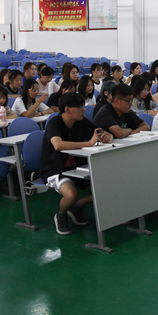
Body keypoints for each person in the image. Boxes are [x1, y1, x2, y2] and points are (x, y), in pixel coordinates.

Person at [39, 92, 114, 235]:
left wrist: (106, 136)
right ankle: (61, 214)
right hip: (55, 169)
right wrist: (88, 143)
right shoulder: (55, 123)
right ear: (67, 109)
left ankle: (77, 207)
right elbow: (58, 145)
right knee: (71, 194)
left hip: (77, 167)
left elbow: (99, 132)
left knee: (104, 186)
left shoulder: (80, 121)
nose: (84, 110)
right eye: (80, 107)